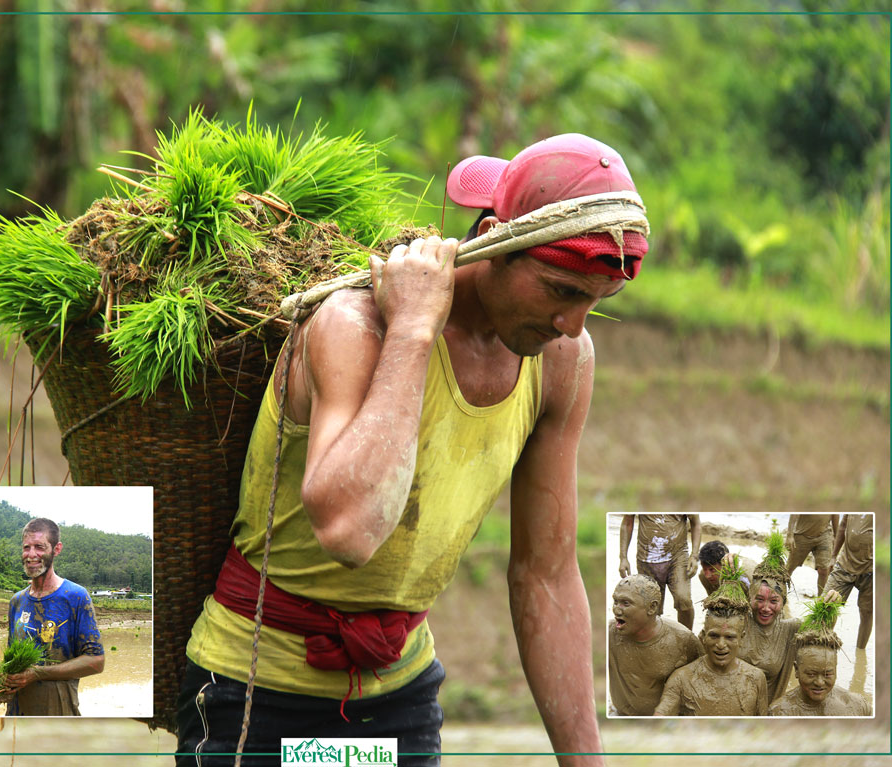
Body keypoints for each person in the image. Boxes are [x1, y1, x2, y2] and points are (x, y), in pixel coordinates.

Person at [179, 133, 651, 766]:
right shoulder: (355, 325)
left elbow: (546, 573)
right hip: (259, 692)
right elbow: (350, 532)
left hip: (397, 695)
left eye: (596, 303)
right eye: (562, 291)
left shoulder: (563, 364)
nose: (573, 325)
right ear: (493, 238)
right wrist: (411, 330)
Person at [3, 518, 105, 715]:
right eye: (26, 547)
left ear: (56, 549)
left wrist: (36, 673)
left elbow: (96, 661)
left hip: (58, 707)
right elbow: (11, 659)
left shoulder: (75, 597)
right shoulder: (16, 601)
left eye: (39, 547)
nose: (31, 554)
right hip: (17, 708)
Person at [654, 597, 767, 716]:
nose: (721, 645)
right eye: (714, 636)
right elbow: (660, 718)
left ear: (742, 639)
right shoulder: (681, 679)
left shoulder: (755, 678)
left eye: (729, 637)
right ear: (703, 636)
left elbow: (764, 726)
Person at [607, 575, 701, 716]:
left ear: (652, 607)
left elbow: (705, 680)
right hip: (621, 716)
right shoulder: (609, 633)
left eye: (626, 603)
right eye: (616, 601)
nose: (617, 610)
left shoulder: (682, 639)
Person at [769, 597, 871, 716]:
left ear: (836, 669)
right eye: (811, 674)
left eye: (827, 674)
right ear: (796, 670)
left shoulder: (858, 706)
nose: (819, 682)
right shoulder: (779, 711)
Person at [618, 514, 701, 629]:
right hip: (646, 558)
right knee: (650, 608)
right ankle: (654, 641)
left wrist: (694, 555)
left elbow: (696, 522)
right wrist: (623, 558)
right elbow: (627, 522)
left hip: (677, 557)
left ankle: (686, 637)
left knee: (683, 600)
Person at [739, 547, 799, 702]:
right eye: (759, 599)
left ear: (783, 602)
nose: (765, 608)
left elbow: (821, 632)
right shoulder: (738, 619)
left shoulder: (790, 629)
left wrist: (828, 607)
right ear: (749, 598)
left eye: (774, 601)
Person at [824, 513, 873, 650]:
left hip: (871, 570)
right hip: (845, 564)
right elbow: (843, 526)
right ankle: (822, 645)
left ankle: (860, 652)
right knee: (826, 604)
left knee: (867, 612)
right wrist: (833, 556)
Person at [785, 514, 838, 595]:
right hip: (802, 535)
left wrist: (836, 535)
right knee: (790, 567)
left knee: (824, 570)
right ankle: (780, 591)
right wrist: (789, 535)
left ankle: (821, 601)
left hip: (824, 534)